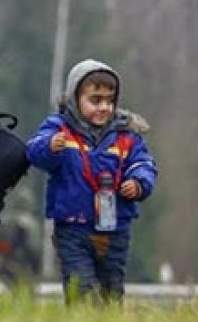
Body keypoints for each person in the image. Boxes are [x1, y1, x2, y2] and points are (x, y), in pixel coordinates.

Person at [26, 59, 157, 304]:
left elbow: (144, 164)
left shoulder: (126, 135)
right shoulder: (59, 129)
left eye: (110, 100)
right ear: (75, 99)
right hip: (73, 227)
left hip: (115, 228)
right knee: (80, 286)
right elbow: (32, 151)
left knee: (112, 287)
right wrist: (50, 146)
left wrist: (138, 183)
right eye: (95, 100)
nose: (104, 107)